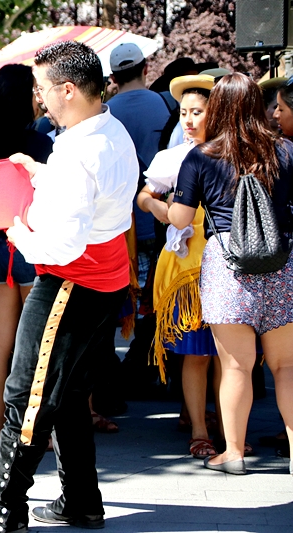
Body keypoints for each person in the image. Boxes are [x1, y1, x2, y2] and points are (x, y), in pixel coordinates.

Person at [0, 41, 137, 532]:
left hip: (73, 278)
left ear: (69, 90)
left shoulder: (79, 149)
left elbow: (64, 244)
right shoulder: (109, 130)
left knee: (28, 393)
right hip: (104, 275)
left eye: (43, 89)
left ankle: (3, 507)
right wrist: (42, 173)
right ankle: (81, 500)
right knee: (70, 392)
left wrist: (20, 235)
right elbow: (90, 196)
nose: (39, 99)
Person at [168, 73, 293, 475]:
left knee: (236, 366)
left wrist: (164, 205)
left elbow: (181, 217)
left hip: (228, 268)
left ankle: (234, 453)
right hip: (282, 263)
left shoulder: (201, 156)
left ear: (218, 108)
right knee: (286, 367)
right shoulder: (286, 150)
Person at [0, 64, 53, 448]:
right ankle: (34, 428)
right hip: (31, 246)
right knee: (37, 343)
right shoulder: (39, 144)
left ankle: (0, 428)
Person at [137, 74, 221, 459]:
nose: (188, 120)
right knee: (197, 352)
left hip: (226, 261)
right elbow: (143, 197)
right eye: (184, 112)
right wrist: (166, 211)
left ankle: (226, 426)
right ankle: (200, 430)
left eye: (197, 112)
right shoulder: (171, 158)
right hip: (187, 265)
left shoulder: (230, 152)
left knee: (227, 355)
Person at [106, 42, 171, 398]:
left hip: (119, 224)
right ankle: (147, 364)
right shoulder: (165, 105)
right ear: (145, 68)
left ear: (113, 77)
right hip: (159, 217)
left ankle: (122, 371)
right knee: (154, 300)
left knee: (122, 300)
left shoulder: (104, 112)